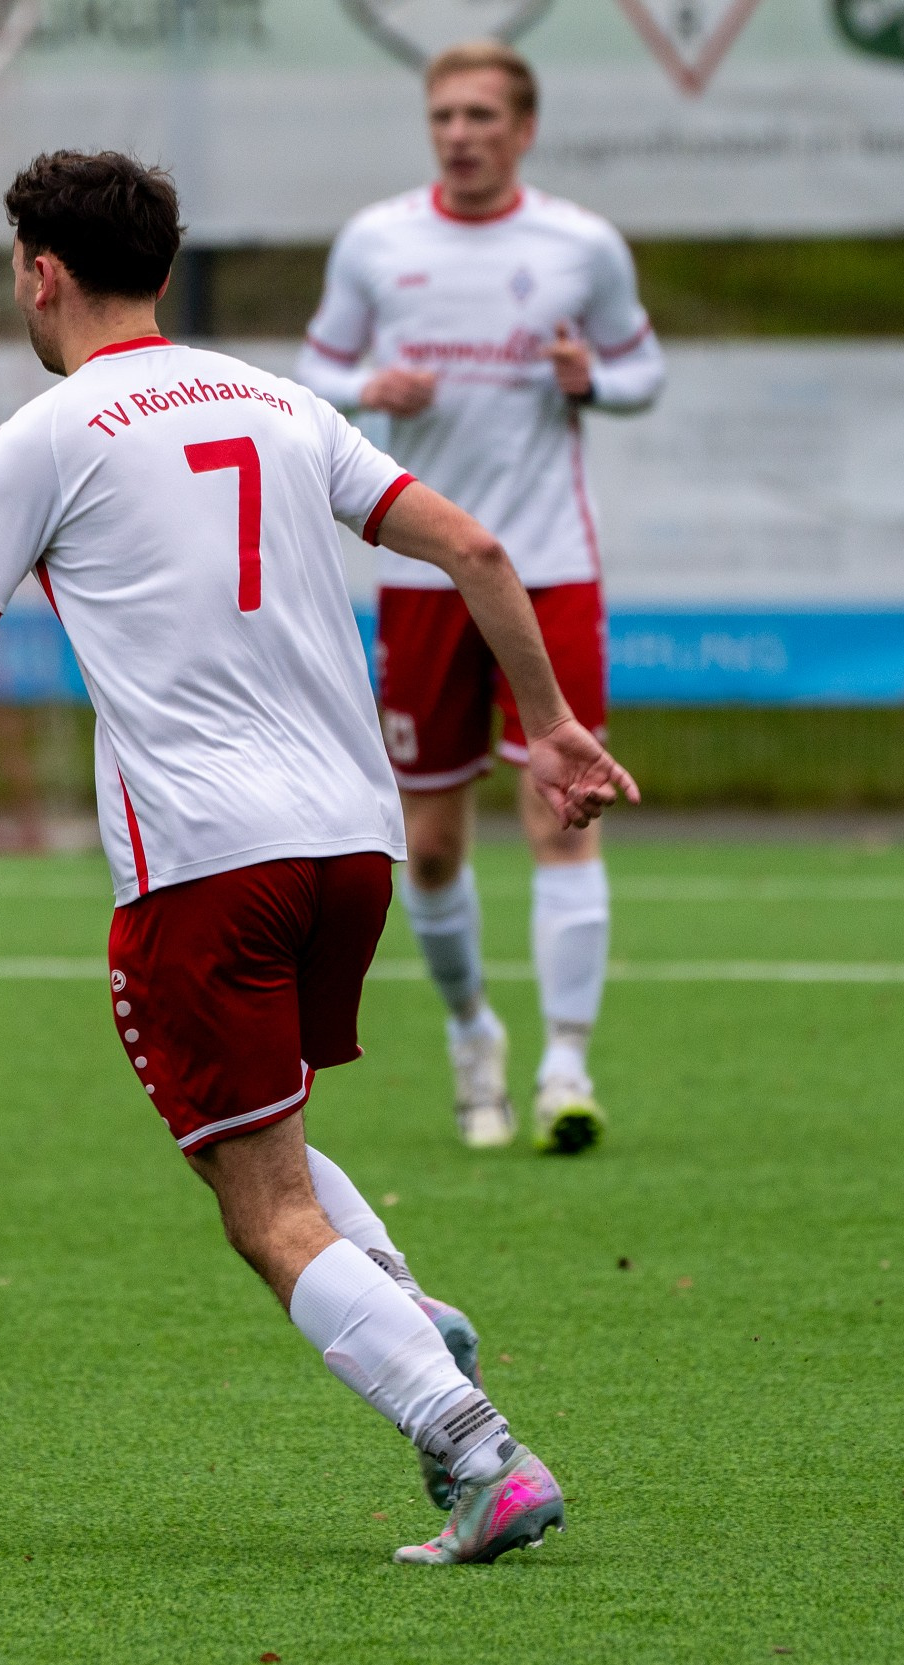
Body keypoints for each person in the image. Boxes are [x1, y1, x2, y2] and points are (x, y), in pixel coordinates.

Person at [0, 151, 638, 1565]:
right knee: (268, 1137)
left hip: (206, 860)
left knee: (263, 1211)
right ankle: (402, 1309)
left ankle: (474, 1448)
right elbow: (481, 551)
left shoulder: (45, 436)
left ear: (42, 274)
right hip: (354, 850)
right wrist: (552, 723)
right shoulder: (278, 401)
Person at [295, 41, 667, 1154]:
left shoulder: (580, 245)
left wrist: (594, 381)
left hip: (547, 568)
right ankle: (473, 1036)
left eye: (481, 116)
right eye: (444, 115)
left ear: (524, 129)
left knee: (564, 809)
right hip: (421, 576)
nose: (459, 134)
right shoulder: (376, 241)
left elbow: (643, 368)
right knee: (431, 846)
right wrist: (368, 386)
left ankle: (565, 1067)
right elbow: (313, 370)